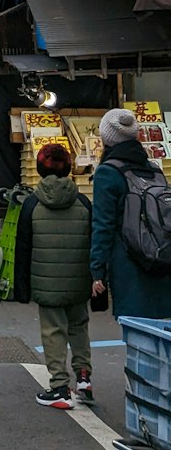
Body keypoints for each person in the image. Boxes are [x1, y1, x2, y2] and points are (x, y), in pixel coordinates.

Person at [14, 142, 93, 410]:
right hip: (79, 280)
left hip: (45, 283)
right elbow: (94, 244)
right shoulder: (83, 202)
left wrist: (21, 288)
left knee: (53, 331)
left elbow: (22, 249)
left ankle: (60, 386)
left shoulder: (32, 204)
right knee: (79, 326)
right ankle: (84, 377)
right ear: (70, 168)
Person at [90, 107, 171, 324]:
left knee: (136, 337)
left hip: (129, 266)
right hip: (162, 260)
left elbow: (103, 226)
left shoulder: (108, 173)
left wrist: (97, 271)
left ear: (106, 138)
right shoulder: (154, 170)